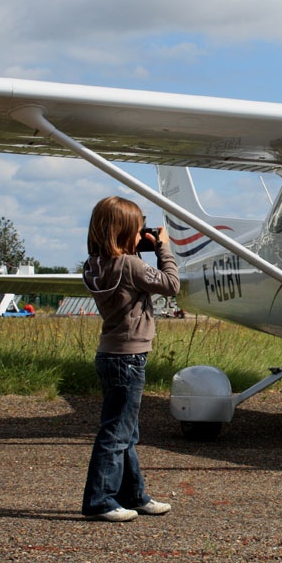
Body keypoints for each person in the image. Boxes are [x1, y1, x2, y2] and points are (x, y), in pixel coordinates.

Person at [81, 196, 180, 522]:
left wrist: (135, 246)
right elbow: (171, 284)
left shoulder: (94, 266)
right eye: (137, 232)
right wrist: (163, 247)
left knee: (126, 431)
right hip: (129, 359)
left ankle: (133, 494)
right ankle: (99, 500)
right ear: (123, 233)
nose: (142, 237)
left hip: (109, 354)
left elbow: (124, 267)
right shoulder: (131, 266)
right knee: (116, 433)